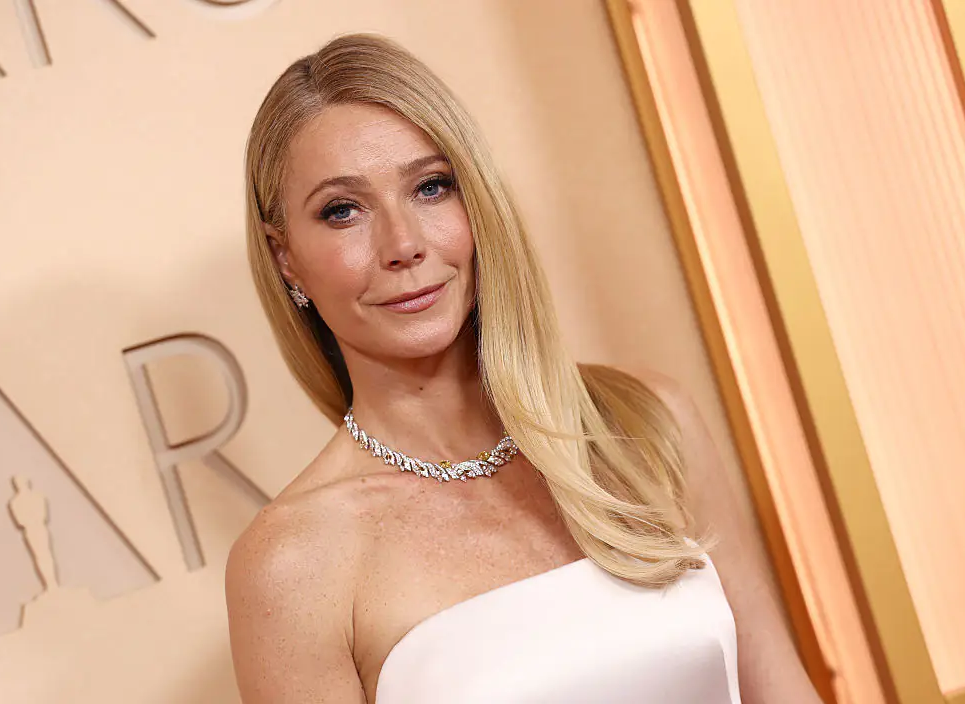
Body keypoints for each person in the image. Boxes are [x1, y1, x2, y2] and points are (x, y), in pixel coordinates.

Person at [225, 32, 821, 704]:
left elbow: (781, 688)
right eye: (343, 210)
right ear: (286, 259)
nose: (403, 244)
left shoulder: (647, 425)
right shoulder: (295, 562)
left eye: (430, 187)